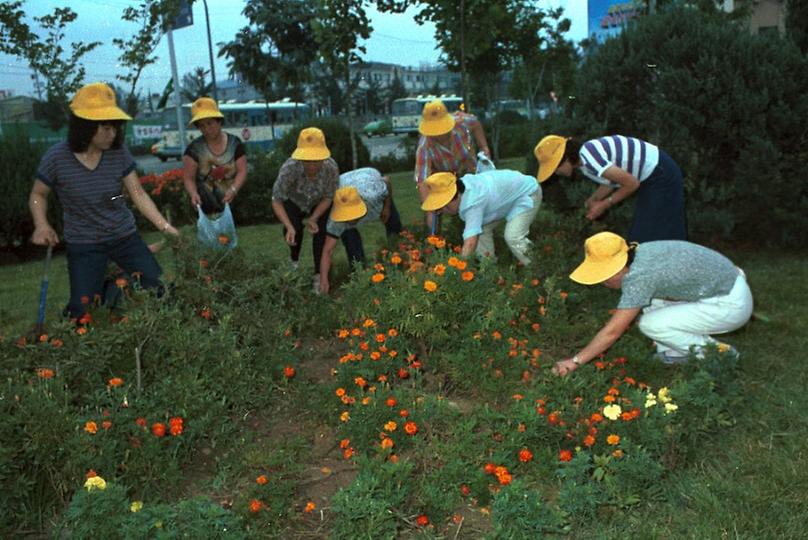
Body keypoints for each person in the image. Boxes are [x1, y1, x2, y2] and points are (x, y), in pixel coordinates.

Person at [28, 82, 180, 320]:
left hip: (124, 237)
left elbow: (138, 194)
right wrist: (41, 224)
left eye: (116, 128)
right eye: (106, 128)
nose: (113, 135)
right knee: (83, 310)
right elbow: (38, 194)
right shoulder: (57, 157)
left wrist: (166, 227)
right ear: (85, 127)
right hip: (84, 243)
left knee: (158, 287)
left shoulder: (118, 153)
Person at [553, 232, 753, 376]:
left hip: (729, 304)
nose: (602, 283)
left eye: (604, 277)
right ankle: (675, 352)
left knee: (650, 324)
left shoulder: (640, 278)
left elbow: (612, 332)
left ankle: (719, 356)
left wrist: (575, 361)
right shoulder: (640, 253)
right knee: (650, 302)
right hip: (728, 283)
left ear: (619, 268)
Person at [534, 135, 686, 243]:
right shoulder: (584, 162)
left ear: (565, 159)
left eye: (554, 167)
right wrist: (594, 199)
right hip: (650, 176)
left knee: (651, 233)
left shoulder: (590, 159)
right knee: (647, 233)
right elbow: (610, 181)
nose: (555, 172)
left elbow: (631, 184)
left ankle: (676, 272)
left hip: (661, 174)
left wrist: (604, 204)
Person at [420, 169, 541, 265]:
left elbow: (470, 243)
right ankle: (490, 271)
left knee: (513, 237)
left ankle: (536, 267)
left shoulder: (472, 203)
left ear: (454, 198)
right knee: (480, 230)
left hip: (527, 193)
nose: (442, 211)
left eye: (443, 206)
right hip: (504, 199)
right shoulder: (458, 186)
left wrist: (457, 269)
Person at [271, 127, 339, 292]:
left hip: (318, 201)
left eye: (316, 160)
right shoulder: (289, 168)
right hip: (294, 201)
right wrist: (288, 226)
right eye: (307, 160)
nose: (312, 165)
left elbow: (329, 197)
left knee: (321, 231)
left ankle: (318, 274)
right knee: (294, 229)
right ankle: (294, 261)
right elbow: (276, 199)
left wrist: (314, 218)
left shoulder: (331, 168)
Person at [319, 168, 402, 294]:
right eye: (345, 216)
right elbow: (327, 251)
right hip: (344, 185)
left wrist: (387, 206)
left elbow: (387, 180)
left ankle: (400, 257)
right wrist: (323, 279)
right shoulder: (337, 221)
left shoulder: (373, 194)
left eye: (352, 215)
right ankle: (360, 274)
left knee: (394, 224)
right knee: (349, 237)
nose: (349, 220)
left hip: (368, 176)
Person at [415, 100, 490, 230]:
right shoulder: (424, 147)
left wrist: (484, 147)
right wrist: (431, 207)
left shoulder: (462, 123)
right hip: (443, 177)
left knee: (479, 204)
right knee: (437, 210)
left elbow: (476, 123)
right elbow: (422, 181)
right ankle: (437, 241)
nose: (438, 134)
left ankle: (481, 230)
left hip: (470, 170)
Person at [182, 97, 247, 213]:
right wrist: (193, 194)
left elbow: (242, 171)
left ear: (219, 121)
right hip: (205, 206)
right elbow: (188, 178)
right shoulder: (193, 149)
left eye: (210, 123)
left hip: (234, 204)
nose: (207, 129)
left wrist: (233, 189)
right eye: (202, 126)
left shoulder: (235, 143)